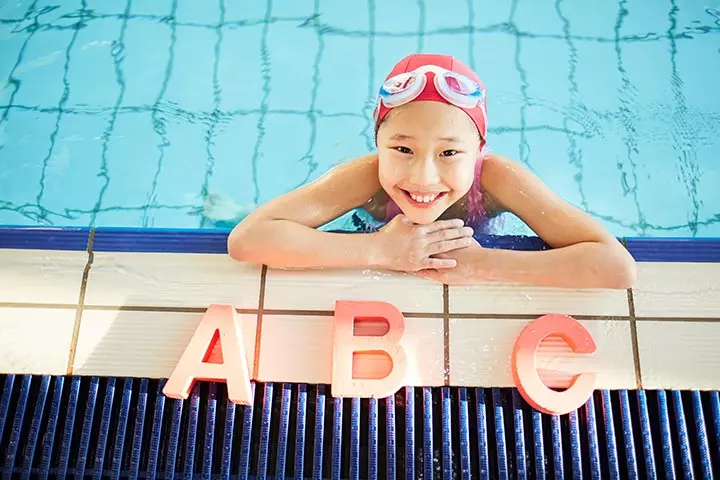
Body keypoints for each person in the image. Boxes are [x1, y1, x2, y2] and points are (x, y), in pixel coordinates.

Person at [225, 53, 636, 289]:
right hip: (377, 232)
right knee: (241, 215)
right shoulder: (366, 177)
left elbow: (616, 267)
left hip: (479, 241)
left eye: (450, 153)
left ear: (479, 149)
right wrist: (380, 251)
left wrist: (484, 265)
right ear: (377, 142)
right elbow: (247, 239)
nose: (422, 177)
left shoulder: (497, 179)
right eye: (402, 148)